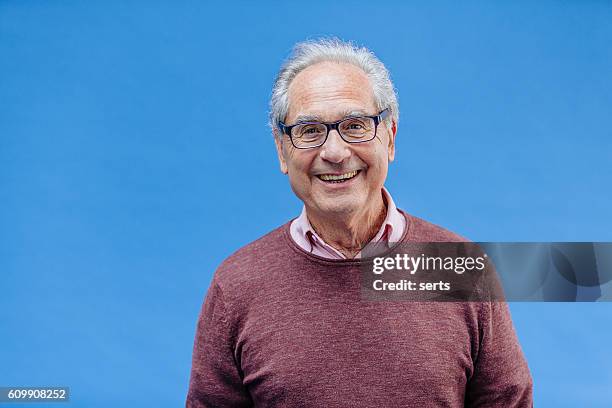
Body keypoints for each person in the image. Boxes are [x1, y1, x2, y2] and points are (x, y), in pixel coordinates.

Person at [186, 38, 533, 407]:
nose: (334, 152)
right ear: (281, 150)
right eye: (309, 131)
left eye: (355, 125)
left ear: (390, 138)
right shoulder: (237, 284)